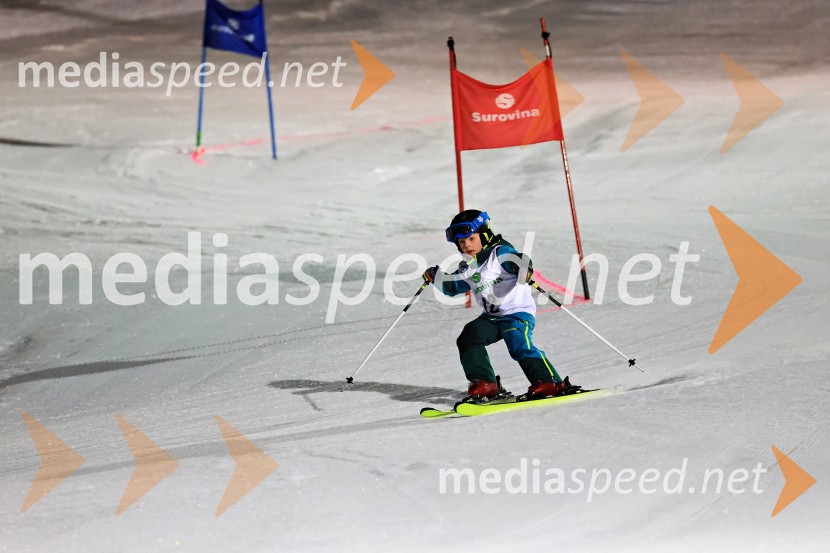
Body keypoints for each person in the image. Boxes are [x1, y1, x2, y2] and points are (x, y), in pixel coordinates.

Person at [422, 210, 572, 403]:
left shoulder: (499, 252)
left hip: (516, 313)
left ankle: (549, 382)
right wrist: (437, 277)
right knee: (469, 337)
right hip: (492, 318)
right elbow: (452, 287)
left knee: (517, 341)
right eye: (461, 242)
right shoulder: (468, 266)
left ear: (485, 235)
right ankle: (486, 384)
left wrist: (522, 268)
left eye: (471, 238)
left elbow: (518, 259)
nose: (466, 245)